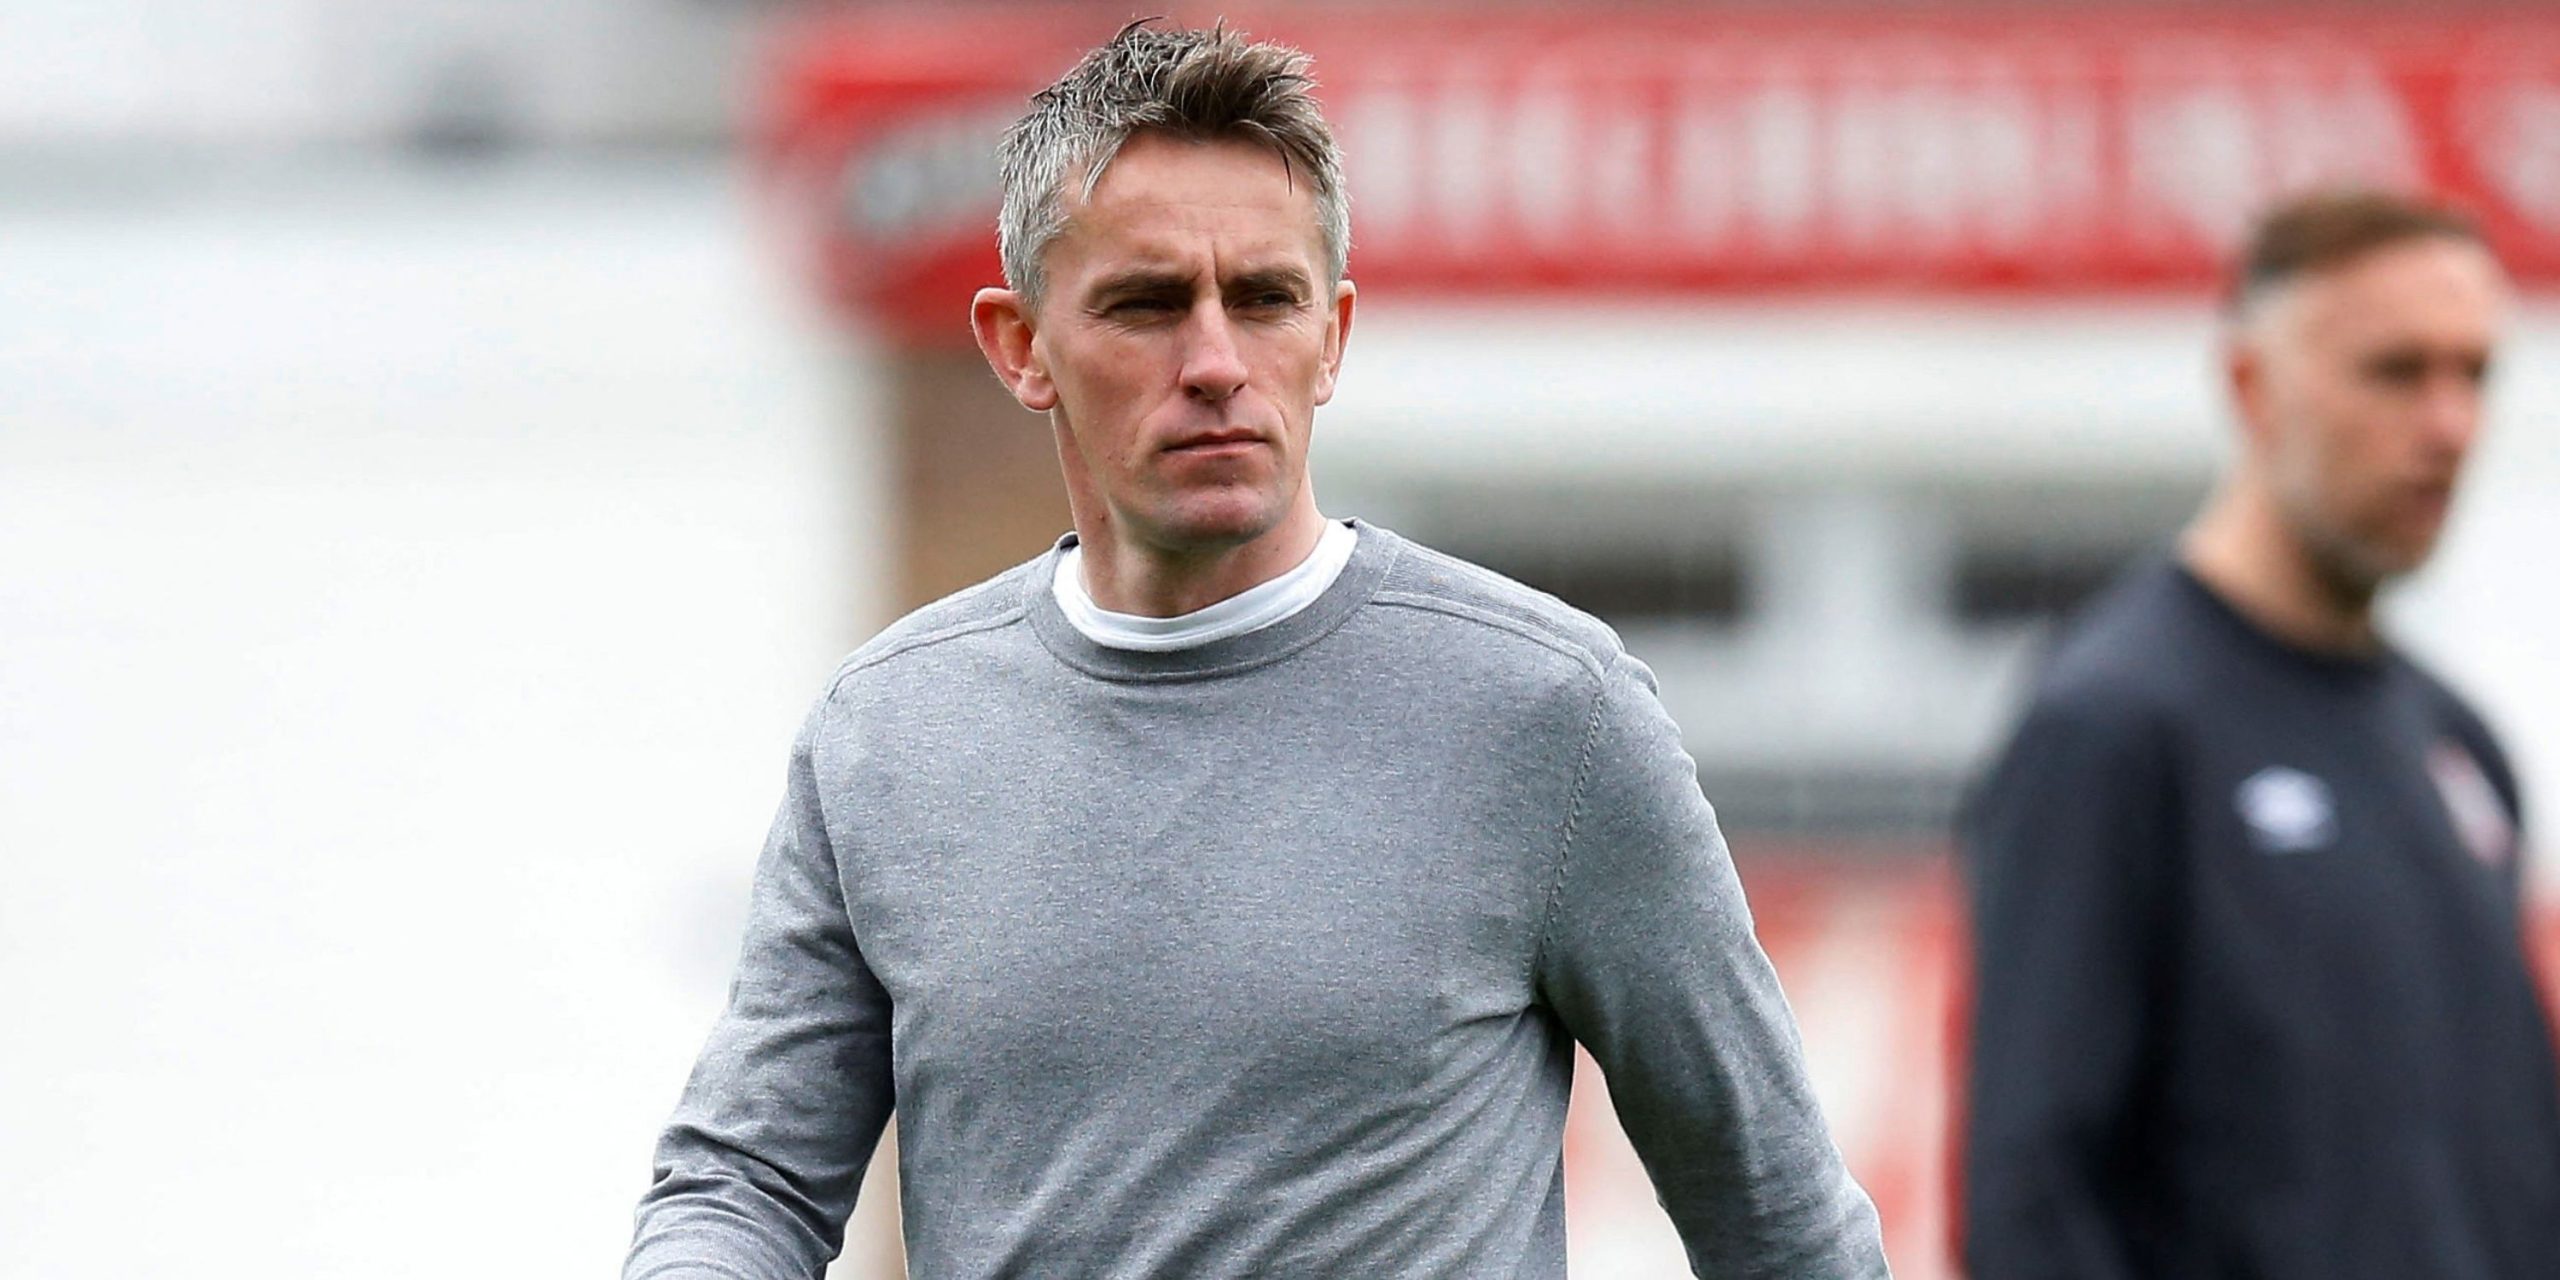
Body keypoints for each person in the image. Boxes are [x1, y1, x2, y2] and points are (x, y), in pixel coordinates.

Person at [623, 21, 1888, 1280]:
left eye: (1265, 299)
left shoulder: (1548, 713)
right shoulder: (890, 733)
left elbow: (1778, 1221)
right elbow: (746, 1181)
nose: (1217, 362)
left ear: (1331, 335)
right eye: (1148, 304)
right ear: (1021, 346)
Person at [1959, 189, 2560, 1278]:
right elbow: (2029, 1198)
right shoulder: (2112, 724)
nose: (2448, 426)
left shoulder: (2460, 743)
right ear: (2251, 385)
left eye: (2473, 374)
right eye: (2396, 372)